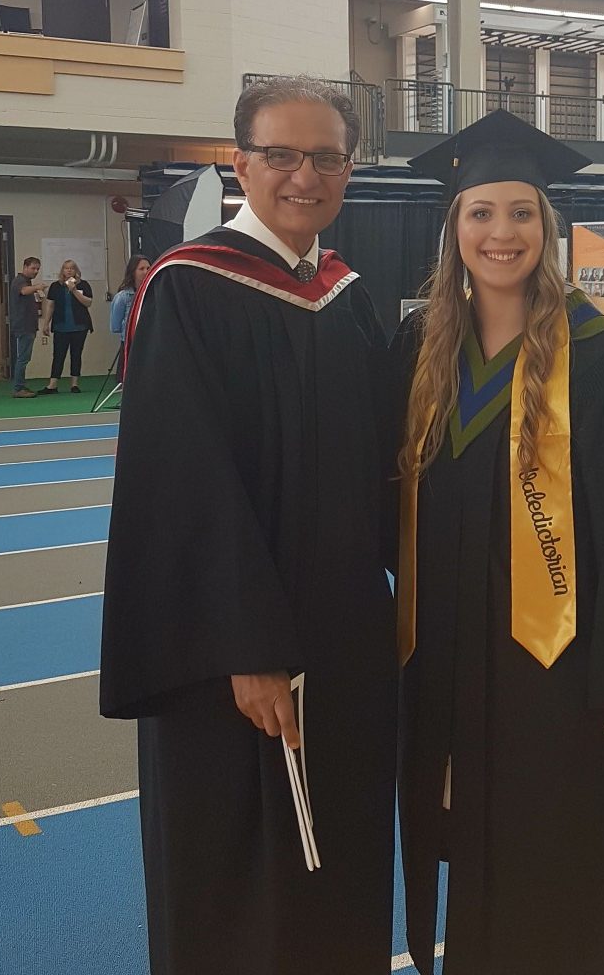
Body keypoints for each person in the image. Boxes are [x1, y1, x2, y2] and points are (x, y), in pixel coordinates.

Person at [389, 110, 604, 975]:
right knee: (469, 852)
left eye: (521, 213)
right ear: (453, 228)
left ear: (549, 226)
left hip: (565, 678)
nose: (502, 234)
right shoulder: (420, 357)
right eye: (481, 214)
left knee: (565, 864)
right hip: (450, 667)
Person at [100, 76, 397, 975]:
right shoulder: (188, 289)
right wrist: (248, 646)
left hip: (345, 640)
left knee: (338, 855)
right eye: (282, 154)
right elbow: (182, 482)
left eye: (328, 157)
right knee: (238, 866)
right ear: (240, 164)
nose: (305, 175)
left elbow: (389, 469)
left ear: (348, 170)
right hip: (235, 656)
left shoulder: (347, 297)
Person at [40, 259, 94, 394]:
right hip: (60, 326)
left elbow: (88, 303)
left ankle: (74, 384)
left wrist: (74, 290)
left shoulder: (84, 285)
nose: (69, 270)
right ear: (62, 271)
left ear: (76, 271)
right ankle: (53, 384)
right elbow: (50, 305)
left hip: (79, 326)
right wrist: (46, 323)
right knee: (58, 355)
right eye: (66, 268)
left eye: (72, 268)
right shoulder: (55, 286)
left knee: (76, 354)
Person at [8, 257, 46, 398]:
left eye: (38, 269)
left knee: (24, 357)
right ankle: (18, 388)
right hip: (23, 326)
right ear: (25, 267)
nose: (36, 271)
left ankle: (21, 385)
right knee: (22, 358)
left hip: (29, 326)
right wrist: (37, 287)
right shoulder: (19, 281)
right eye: (33, 268)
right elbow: (23, 291)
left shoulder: (27, 282)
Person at [110, 254, 150, 380]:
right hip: (130, 343)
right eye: (141, 269)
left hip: (149, 342)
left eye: (148, 268)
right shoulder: (123, 297)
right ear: (133, 272)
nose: (146, 272)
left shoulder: (154, 293)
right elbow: (115, 326)